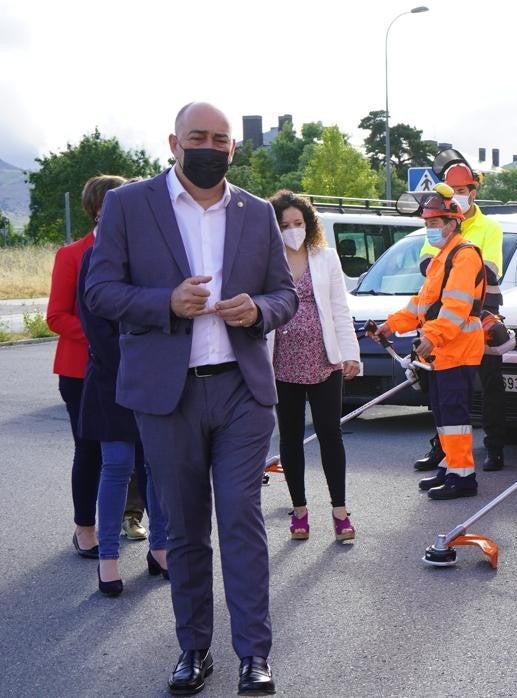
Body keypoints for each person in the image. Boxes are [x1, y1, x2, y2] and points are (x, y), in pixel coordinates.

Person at [85, 101, 297, 696]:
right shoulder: (130, 205)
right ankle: (193, 648)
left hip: (241, 390)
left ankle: (255, 654)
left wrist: (258, 309)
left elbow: (286, 295)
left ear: (234, 148)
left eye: (221, 139)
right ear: (174, 143)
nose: (210, 147)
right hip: (166, 395)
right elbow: (99, 289)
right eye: (198, 137)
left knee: (241, 520)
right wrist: (164, 303)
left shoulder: (257, 214)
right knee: (183, 529)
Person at [376, 183, 486, 500]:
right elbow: (421, 306)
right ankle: (451, 469)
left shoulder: (463, 257)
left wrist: (432, 337)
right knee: (443, 414)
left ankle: (463, 478)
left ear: (453, 223)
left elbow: (455, 308)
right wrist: (390, 325)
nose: (429, 230)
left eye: (434, 224)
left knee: (454, 416)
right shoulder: (443, 258)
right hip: (443, 351)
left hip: (457, 349)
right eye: (427, 224)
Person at [77, 237, 169, 595]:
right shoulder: (95, 257)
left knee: (156, 467)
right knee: (116, 465)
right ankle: (109, 558)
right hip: (110, 379)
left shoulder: (151, 250)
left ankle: (160, 548)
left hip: (154, 379)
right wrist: (133, 365)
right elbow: (94, 323)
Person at [267, 191, 361, 542]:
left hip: (324, 359)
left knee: (329, 433)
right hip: (281, 361)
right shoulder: (266, 259)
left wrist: (351, 353)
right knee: (290, 438)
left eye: (298, 223)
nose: (293, 230)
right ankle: (300, 511)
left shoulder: (326, 257)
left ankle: (340, 511)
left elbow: (340, 307)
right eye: (285, 225)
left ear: (309, 224)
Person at [412, 150, 506, 473]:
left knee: (488, 385)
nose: (460, 196)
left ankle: (494, 448)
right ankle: (444, 454)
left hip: (481, 313)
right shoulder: (441, 224)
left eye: (464, 191)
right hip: (445, 317)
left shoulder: (489, 229)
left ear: (474, 192)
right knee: (441, 392)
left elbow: (490, 269)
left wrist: (456, 265)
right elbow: (427, 264)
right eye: (454, 192)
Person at [49, 176, 124, 559]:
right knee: (91, 450)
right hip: (81, 372)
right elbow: (56, 317)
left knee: (133, 449)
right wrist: (103, 338)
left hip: (128, 370)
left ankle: (130, 517)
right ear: (97, 208)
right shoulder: (72, 254)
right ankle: (85, 527)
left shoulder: (135, 251)